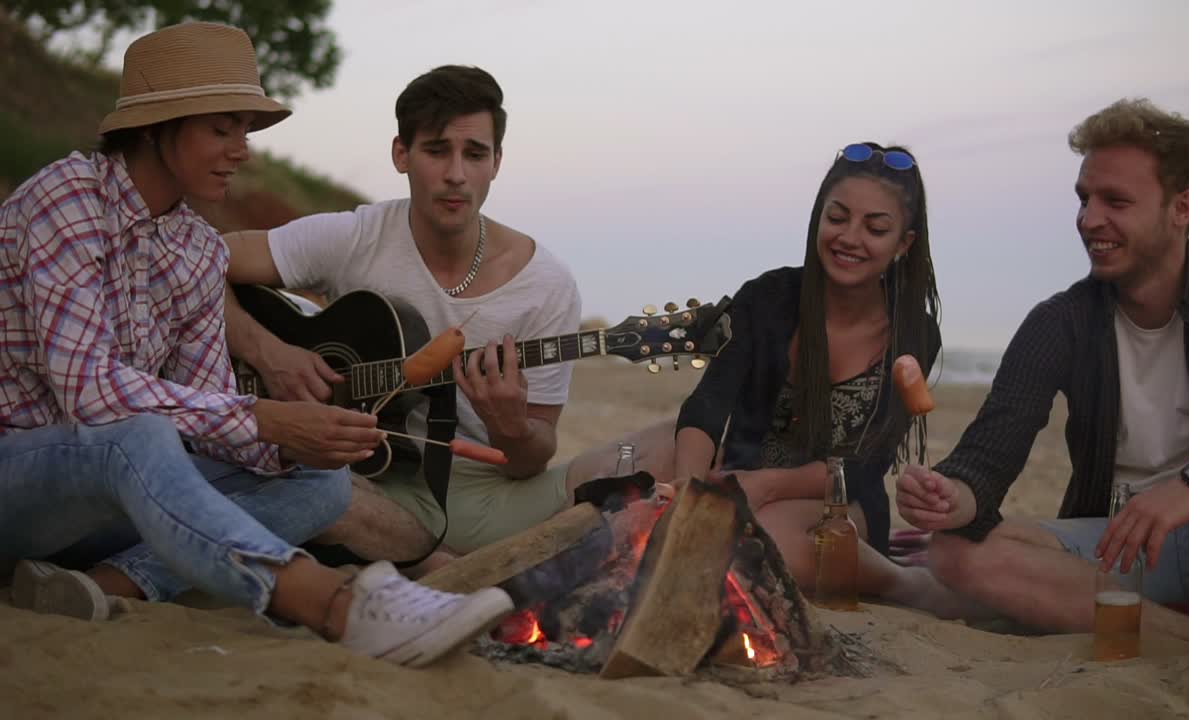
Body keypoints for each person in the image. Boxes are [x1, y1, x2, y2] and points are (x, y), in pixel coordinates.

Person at [0, 22, 513, 668]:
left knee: (322, 485)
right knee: (137, 436)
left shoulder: (194, 248)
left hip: (103, 514)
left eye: (244, 129)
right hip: (17, 487)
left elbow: (212, 407)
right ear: (158, 129)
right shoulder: (66, 200)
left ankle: (108, 586)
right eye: (222, 129)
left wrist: (296, 438)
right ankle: (337, 606)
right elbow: (91, 395)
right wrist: (261, 415)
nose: (241, 149)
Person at [895, 99, 1189, 715]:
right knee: (954, 551)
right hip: (1122, 543)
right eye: (1084, 198)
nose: (1089, 219)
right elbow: (992, 450)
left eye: (1115, 202)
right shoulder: (1062, 321)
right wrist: (952, 496)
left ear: (1183, 208)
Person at [223, 65, 585, 565]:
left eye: (475, 154)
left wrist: (512, 427)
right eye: (437, 150)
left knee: (645, 462)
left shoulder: (545, 285)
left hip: (472, 485)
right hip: (347, 467)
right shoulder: (356, 237)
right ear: (401, 155)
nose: (456, 174)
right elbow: (195, 261)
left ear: (496, 162)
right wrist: (269, 354)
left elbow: (527, 463)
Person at [670, 143, 970, 616]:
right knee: (647, 483)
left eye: (875, 228)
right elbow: (708, 404)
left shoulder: (912, 330)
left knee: (753, 547)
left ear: (903, 245)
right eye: (838, 218)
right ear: (818, 217)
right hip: (740, 470)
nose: (850, 238)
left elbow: (866, 465)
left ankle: (901, 583)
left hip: (839, 501)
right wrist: (686, 495)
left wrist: (766, 485)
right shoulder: (767, 296)